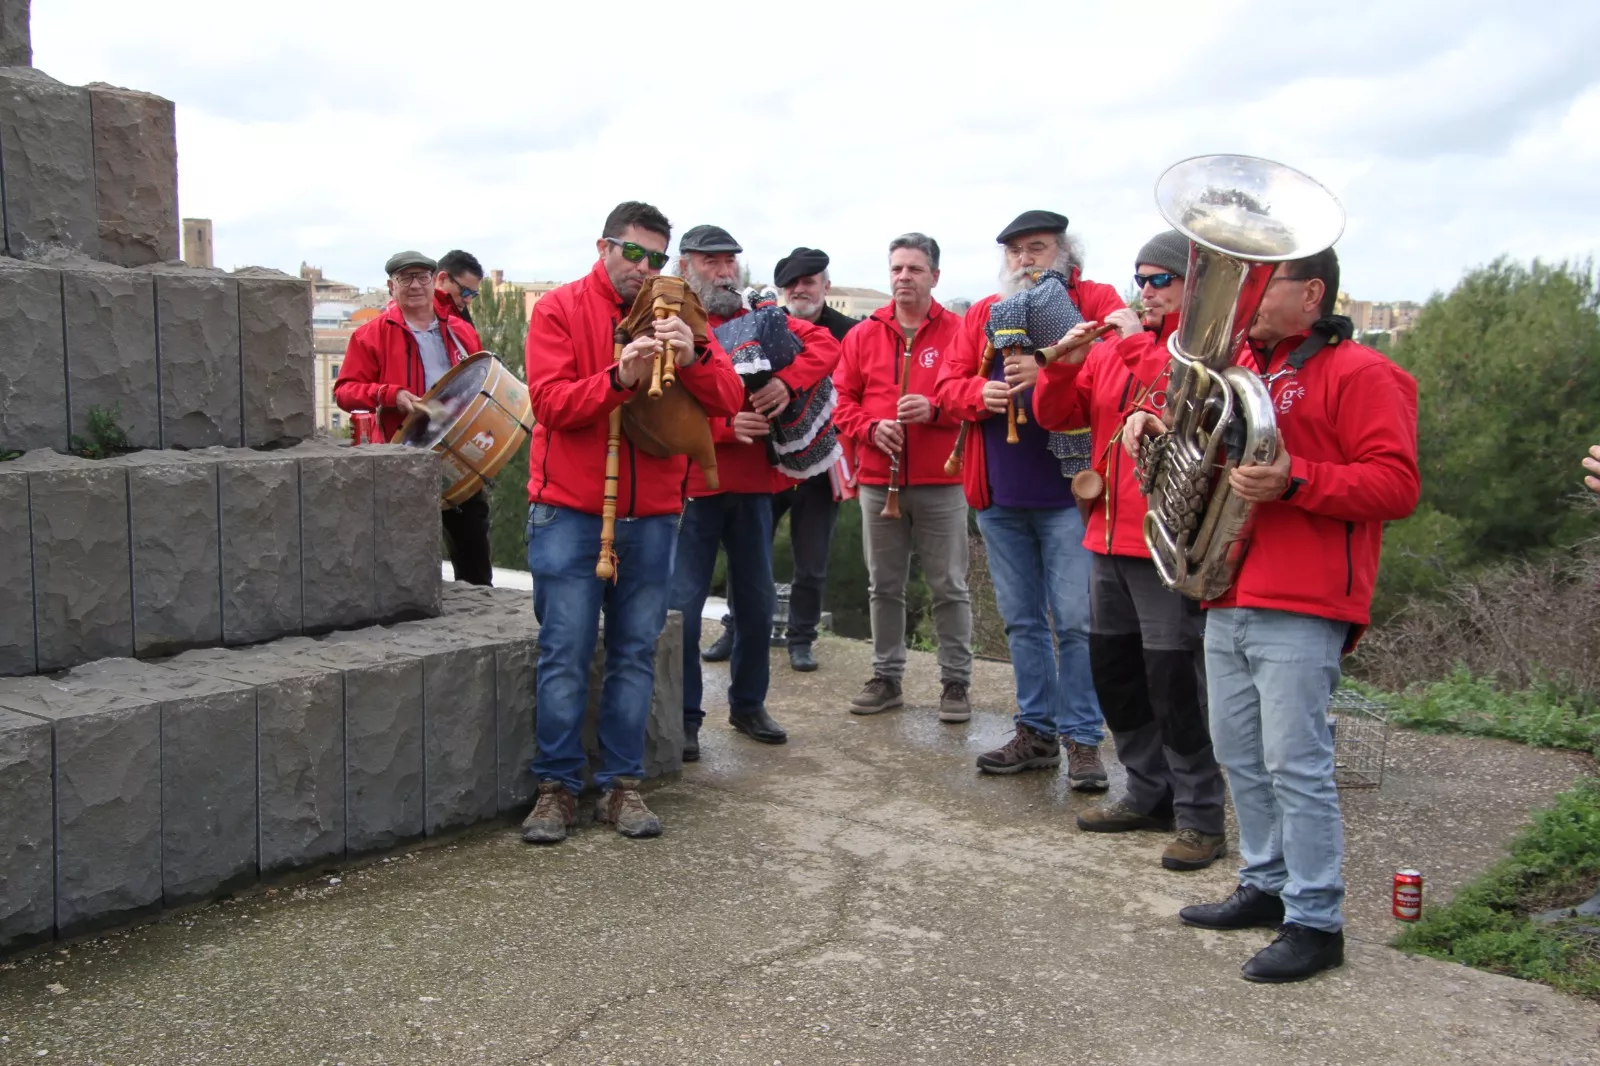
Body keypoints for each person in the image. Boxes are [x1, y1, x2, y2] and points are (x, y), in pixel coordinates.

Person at [1124, 248, 1419, 982]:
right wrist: (1155, 435)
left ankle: (1317, 921)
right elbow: (1202, 452)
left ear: (1312, 292)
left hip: (1305, 594)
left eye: (1267, 280)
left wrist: (1298, 481)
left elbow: (1396, 485)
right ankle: (1264, 882)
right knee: (1241, 756)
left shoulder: (1364, 373)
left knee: (1297, 764)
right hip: (1228, 585)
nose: (1248, 294)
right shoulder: (1239, 374)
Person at [517, 203, 744, 843]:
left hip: (653, 513)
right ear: (604, 247)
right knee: (563, 651)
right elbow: (550, 405)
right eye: (633, 253)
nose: (644, 269)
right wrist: (619, 377)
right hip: (568, 508)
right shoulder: (559, 308)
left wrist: (693, 355)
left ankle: (621, 784)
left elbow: (729, 401)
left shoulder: (683, 309)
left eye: (656, 257)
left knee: (635, 653)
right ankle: (557, 787)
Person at [1032, 229, 1229, 871]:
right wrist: (1059, 367)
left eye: (1159, 280)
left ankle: (1200, 814)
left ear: (1191, 287)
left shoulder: (1209, 354)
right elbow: (1059, 416)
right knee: (1116, 674)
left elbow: (1180, 391)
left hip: (1167, 541)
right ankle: (1147, 793)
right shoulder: (1116, 349)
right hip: (1106, 533)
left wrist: (1127, 339)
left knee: (1174, 680)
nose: (1144, 291)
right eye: (1139, 279)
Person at [935, 210, 1123, 788]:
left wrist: (1045, 374)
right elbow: (945, 386)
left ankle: (1084, 740)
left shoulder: (1096, 301)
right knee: (1022, 623)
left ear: (1064, 253)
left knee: (1074, 621)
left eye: (1036, 248)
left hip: (1071, 495)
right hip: (1001, 493)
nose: (1024, 260)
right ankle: (1036, 732)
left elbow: (1117, 371)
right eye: (1015, 251)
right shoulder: (987, 315)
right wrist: (978, 391)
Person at [669, 225, 842, 762]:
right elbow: (666, 406)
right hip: (693, 485)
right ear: (685, 266)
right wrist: (726, 428)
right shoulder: (673, 321)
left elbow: (826, 345)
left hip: (753, 488)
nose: (724, 271)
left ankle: (748, 705)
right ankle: (686, 719)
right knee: (685, 608)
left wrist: (786, 382)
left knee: (756, 603)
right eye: (711, 262)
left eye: (729, 262)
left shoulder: (759, 313)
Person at [833, 233, 973, 721]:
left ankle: (956, 683)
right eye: (896, 269)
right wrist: (870, 429)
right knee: (883, 585)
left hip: (943, 482)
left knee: (949, 585)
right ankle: (887, 676)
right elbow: (841, 404)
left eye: (914, 269)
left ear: (935, 275)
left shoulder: (960, 331)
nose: (903, 278)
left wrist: (935, 409)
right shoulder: (862, 335)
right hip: (878, 480)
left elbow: (975, 399)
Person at [700, 247, 857, 673]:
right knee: (749, 556)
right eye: (792, 283)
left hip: (820, 459)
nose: (800, 289)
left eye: (809, 281)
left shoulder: (849, 330)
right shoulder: (763, 321)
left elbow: (852, 385)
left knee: (812, 559)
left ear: (826, 284)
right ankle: (735, 629)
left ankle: (801, 639)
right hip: (766, 460)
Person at [334, 250, 493, 585]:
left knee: (474, 557)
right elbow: (345, 391)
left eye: (422, 277)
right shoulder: (370, 335)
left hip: (458, 455)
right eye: (405, 278)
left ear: (434, 281)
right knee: (408, 560)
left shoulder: (461, 332)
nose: (415, 285)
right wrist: (388, 395)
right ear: (391, 286)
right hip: (402, 459)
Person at [434, 249, 484, 327]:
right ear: (442, 279)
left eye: (473, 294)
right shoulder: (417, 317)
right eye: (465, 291)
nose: (468, 300)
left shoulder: (464, 320)